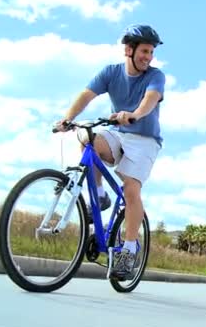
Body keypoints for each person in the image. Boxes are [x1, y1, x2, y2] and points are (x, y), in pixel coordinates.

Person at [54, 24, 166, 280]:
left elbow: (150, 100)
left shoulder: (155, 76)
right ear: (129, 49)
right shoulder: (111, 72)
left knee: (131, 190)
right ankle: (101, 195)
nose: (148, 57)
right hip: (118, 133)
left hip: (145, 139)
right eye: (144, 51)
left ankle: (128, 248)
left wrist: (134, 114)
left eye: (151, 52)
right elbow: (86, 94)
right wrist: (67, 119)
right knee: (86, 136)